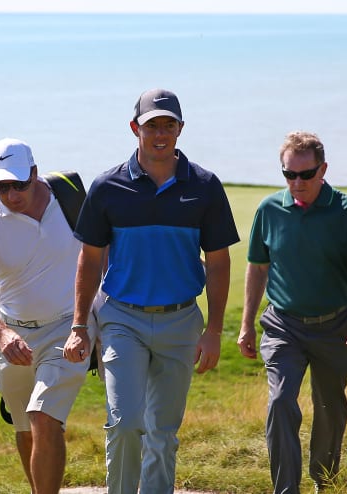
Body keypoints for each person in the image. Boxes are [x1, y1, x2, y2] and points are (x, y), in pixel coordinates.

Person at [63, 88, 239, 494]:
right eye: (151, 126)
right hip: (122, 318)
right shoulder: (108, 187)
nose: (160, 134)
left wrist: (213, 330)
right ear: (134, 129)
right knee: (125, 423)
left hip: (181, 322)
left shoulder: (205, 186)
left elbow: (218, 262)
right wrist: (78, 325)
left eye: (168, 125)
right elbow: (89, 260)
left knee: (163, 430)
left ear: (180, 129)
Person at [237, 131, 347, 493]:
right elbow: (257, 268)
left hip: (335, 326)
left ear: (323, 170)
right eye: (289, 174)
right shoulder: (269, 210)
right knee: (281, 402)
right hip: (283, 326)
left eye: (306, 174)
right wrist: (246, 326)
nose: (297, 183)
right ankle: (286, 489)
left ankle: (324, 481)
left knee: (330, 406)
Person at [0, 137, 92, 494]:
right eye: (1, 186)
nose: (11, 194)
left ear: (35, 173)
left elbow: (105, 252)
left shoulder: (68, 200)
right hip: (13, 335)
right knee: (24, 427)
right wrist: (1, 334)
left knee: (43, 417)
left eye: (18, 184)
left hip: (69, 327)